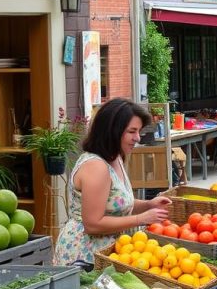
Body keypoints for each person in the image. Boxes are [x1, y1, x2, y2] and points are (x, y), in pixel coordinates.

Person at [54, 98, 172, 266]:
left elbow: (115, 203)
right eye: (132, 131)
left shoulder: (115, 157)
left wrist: (148, 204)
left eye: (138, 131)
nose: (137, 138)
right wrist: (141, 218)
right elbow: (93, 224)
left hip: (108, 252)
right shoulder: (96, 167)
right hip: (85, 255)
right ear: (112, 131)